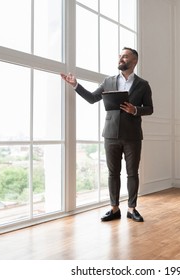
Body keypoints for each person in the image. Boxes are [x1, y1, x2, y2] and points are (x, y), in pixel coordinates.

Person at [61, 47, 153, 223]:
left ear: (134, 61)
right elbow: (91, 98)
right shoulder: (108, 81)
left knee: (132, 173)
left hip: (132, 136)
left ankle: (132, 209)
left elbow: (149, 109)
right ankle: (114, 208)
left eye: (125, 57)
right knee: (113, 173)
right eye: (120, 56)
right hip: (110, 135)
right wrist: (75, 85)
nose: (121, 58)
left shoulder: (143, 85)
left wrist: (135, 110)